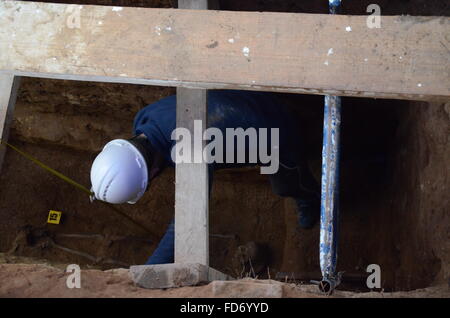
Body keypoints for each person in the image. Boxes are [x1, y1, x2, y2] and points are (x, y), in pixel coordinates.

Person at [90, 90, 320, 265]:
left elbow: (184, 229)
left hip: (275, 131)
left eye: (147, 184)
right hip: (241, 104)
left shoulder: (191, 149)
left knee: (287, 184)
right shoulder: (144, 120)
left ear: (149, 175)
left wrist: (148, 273)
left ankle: (309, 199)